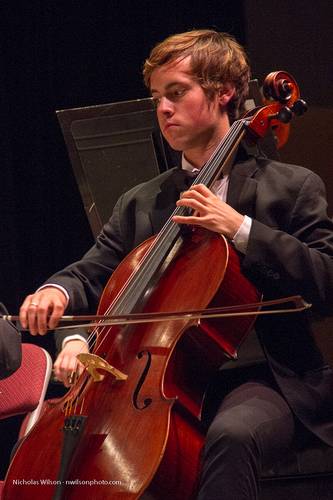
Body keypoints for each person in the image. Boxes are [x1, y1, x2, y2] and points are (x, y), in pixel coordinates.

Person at [19, 29, 333, 499]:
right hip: (166, 380)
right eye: (157, 97)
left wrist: (241, 229)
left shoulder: (290, 186)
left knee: (232, 435)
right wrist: (56, 291)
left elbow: (326, 278)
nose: (163, 109)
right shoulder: (145, 201)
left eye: (177, 93)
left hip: (267, 379)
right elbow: (93, 271)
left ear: (224, 92)